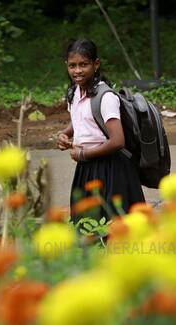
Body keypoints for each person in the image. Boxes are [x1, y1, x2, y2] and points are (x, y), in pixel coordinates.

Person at [55, 39, 145, 222]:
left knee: (113, 227)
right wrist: (65, 134)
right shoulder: (74, 93)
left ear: (96, 64)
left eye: (83, 64)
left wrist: (83, 154)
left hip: (111, 169)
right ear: (66, 66)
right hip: (86, 168)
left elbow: (117, 140)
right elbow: (81, 120)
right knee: (87, 226)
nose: (77, 70)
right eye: (72, 65)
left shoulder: (105, 97)